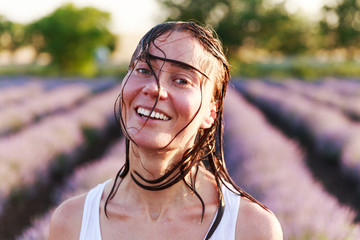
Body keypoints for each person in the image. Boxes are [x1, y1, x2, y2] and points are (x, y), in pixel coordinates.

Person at [49, 21, 283, 240]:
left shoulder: (251, 228)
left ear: (211, 113)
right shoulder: (72, 222)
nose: (154, 89)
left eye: (182, 80)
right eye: (143, 70)